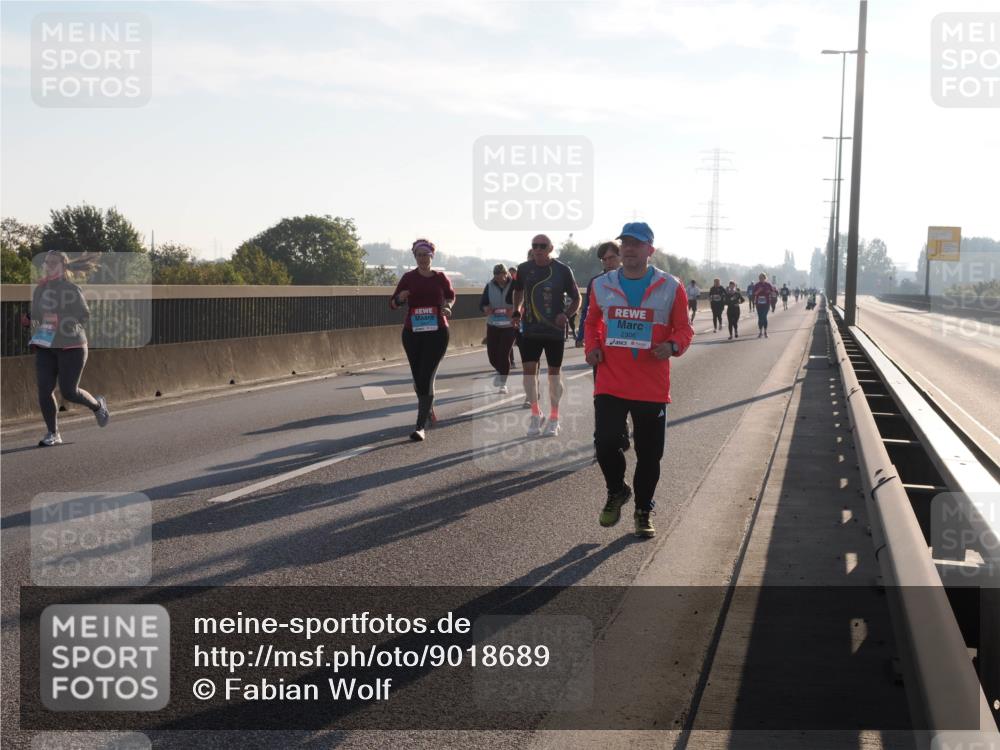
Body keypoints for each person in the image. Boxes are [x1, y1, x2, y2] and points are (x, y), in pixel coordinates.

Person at [585, 222, 693, 538]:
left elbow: (684, 329)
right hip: (611, 380)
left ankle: (643, 509)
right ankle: (617, 489)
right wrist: (592, 347)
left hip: (651, 385)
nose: (629, 249)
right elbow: (591, 322)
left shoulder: (671, 286)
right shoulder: (602, 285)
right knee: (605, 444)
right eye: (625, 244)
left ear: (650, 250)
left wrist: (672, 346)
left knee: (649, 455)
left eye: (637, 243)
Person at [22, 251, 111, 447]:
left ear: (63, 266)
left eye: (53, 263)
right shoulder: (41, 289)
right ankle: (53, 433)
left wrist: (62, 320)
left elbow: (84, 315)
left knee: (69, 391)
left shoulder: (71, 288)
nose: (49, 266)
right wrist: (29, 319)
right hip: (47, 344)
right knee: (44, 390)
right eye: (47, 263)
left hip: (72, 346)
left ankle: (97, 406)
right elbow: (36, 313)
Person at [512, 234, 580, 437]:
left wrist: (566, 315)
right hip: (530, 329)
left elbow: (577, 298)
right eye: (535, 246)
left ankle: (554, 417)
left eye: (542, 246)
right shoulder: (524, 269)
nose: (538, 249)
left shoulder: (562, 270)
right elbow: (518, 291)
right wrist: (517, 309)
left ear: (550, 248)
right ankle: (535, 414)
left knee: (553, 376)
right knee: (528, 376)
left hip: (554, 331)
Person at [390, 239, 455, 441]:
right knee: (418, 378)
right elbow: (393, 304)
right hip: (412, 333)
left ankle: (420, 426)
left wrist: (448, 307)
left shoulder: (440, 277)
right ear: (415, 257)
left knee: (426, 375)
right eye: (418, 255)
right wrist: (400, 297)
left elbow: (451, 296)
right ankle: (428, 408)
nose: (422, 258)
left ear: (432, 256)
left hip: (437, 332)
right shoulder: (408, 277)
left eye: (426, 255)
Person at [576, 241, 622, 350]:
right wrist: (581, 336)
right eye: (604, 259)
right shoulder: (596, 282)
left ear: (620, 256)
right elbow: (587, 311)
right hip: (602, 338)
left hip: (628, 336)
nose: (608, 262)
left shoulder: (633, 279)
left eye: (611, 258)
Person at [480, 264, 516, 394]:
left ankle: (503, 383)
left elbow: (524, 301)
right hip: (493, 324)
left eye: (501, 275)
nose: (499, 278)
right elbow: (482, 303)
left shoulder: (515, 285)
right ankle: (500, 371)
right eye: (496, 276)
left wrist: (515, 310)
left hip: (509, 325)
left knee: (503, 353)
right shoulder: (490, 285)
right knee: (492, 355)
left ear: (506, 274)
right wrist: (486, 309)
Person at [751, 272, 778, 338]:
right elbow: (754, 294)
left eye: (762, 278)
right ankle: (760, 332)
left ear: (765, 278)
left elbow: (773, 293)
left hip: (766, 303)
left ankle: (765, 332)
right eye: (760, 278)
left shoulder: (768, 284)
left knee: (764, 317)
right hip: (759, 303)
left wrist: (769, 292)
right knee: (760, 318)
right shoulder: (757, 285)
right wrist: (758, 291)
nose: (761, 279)